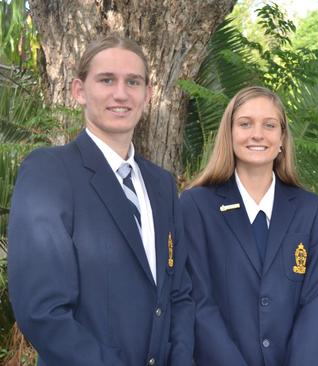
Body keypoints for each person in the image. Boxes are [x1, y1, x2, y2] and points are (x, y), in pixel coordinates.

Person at [7, 35, 194, 366]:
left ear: (148, 94)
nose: (121, 93)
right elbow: (42, 311)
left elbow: (177, 294)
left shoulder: (162, 185)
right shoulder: (50, 172)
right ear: (79, 91)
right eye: (107, 80)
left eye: (133, 82)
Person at [180, 86, 318, 365]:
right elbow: (198, 302)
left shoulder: (311, 210)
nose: (257, 134)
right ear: (229, 134)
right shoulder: (196, 206)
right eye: (245, 123)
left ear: (282, 138)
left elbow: (315, 305)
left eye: (269, 125)